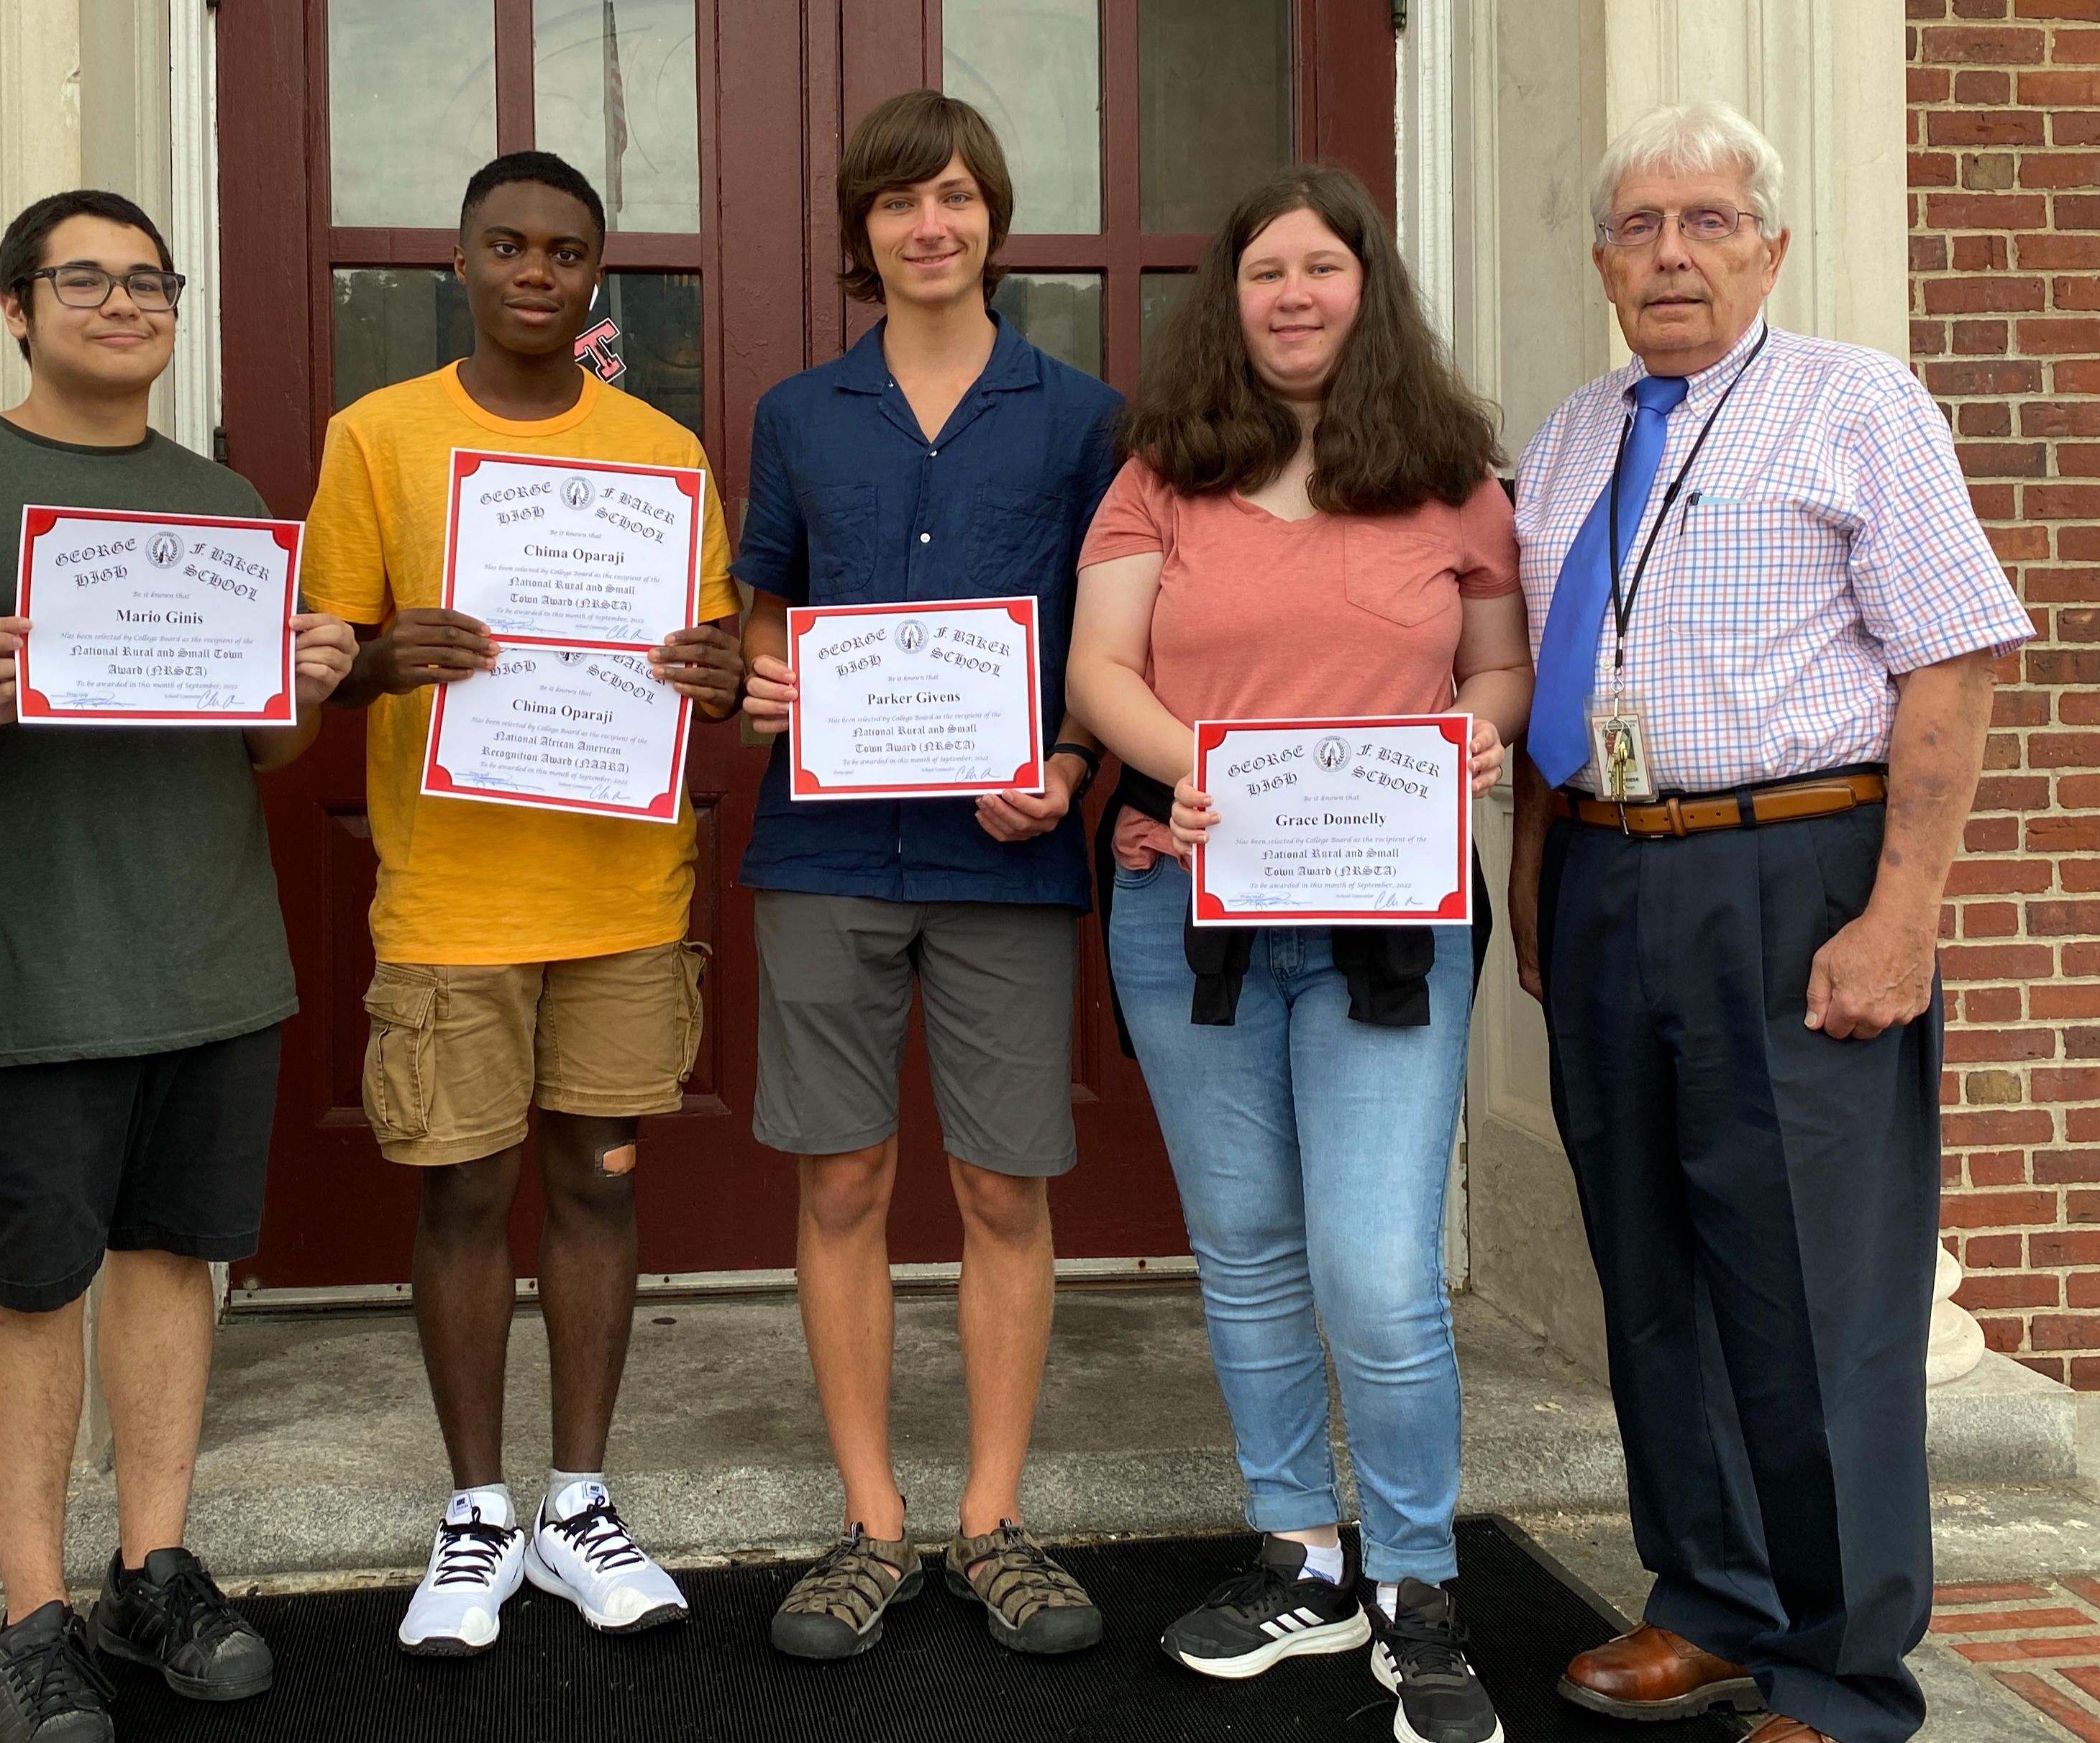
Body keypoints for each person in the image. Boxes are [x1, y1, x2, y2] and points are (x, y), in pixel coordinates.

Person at [1504, 103, 2030, 1743]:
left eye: (1709, 221)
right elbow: (1550, 672)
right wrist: (1539, 901)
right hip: (1606, 878)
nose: (1672, 251)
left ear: (1772, 248)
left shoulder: (1856, 403)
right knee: (1651, 1267)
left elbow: (1952, 656)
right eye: (1640, 225)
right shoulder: (1577, 433)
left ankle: (1840, 1667)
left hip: (1793, 872)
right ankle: (1712, 1603)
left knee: (1816, 1289)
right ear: (1600, 260)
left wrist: (1906, 913)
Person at [0, 189, 352, 1743]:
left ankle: (153, 1565)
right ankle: (31, 1614)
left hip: (208, 950)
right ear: (18, 307)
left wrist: (316, 681)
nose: (123, 304)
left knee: (171, 1263)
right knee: (30, 1283)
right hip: (27, 960)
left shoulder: (223, 494)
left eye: (150, 281)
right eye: (85, 280)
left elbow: (266, 748)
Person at [1066, 164, 1528, 1743]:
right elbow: (1099, 667)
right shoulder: (1162, 474)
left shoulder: (1454, 476)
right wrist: (1178, 759)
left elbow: (1501, 668)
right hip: (1186, 905)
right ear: (1230, 296)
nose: (1292, 296)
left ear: (1365, 288)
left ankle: (1414, 1579)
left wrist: (1477, 736)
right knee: (1250, 1249)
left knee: (1379, 1270)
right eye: (1265, 271)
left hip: (1382, 926)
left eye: (1321, 268)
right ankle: (1301, 1555)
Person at [298, 150, 745, 1658]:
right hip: (453, 894)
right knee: (466, 1192)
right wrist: (381, 656)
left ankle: (580, 1500)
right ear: (463, 263)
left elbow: (720, 658)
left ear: (595, 277)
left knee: (604, 1183)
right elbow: (316, 656)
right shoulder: (380, 437)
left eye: (565, 251)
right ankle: (477, 1509)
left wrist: (719, 672)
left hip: (619, 887)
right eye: (509, 246)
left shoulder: (665, 454)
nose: (537, 272)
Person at [733, 91, 1119, 1662]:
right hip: (826, 847)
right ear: (864, 233)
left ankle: (993, 1518)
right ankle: (873, 1523)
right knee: (840, 1178)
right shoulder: (798, 412)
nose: (929, 225)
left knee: (1000, 1184)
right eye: (899, 202)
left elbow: (1115, 637)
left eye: (955, 196)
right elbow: (770, 605)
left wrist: (1078, 771)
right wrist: (767, 676)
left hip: (1006, 860)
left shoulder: (1082, 413)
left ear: (993, 219)